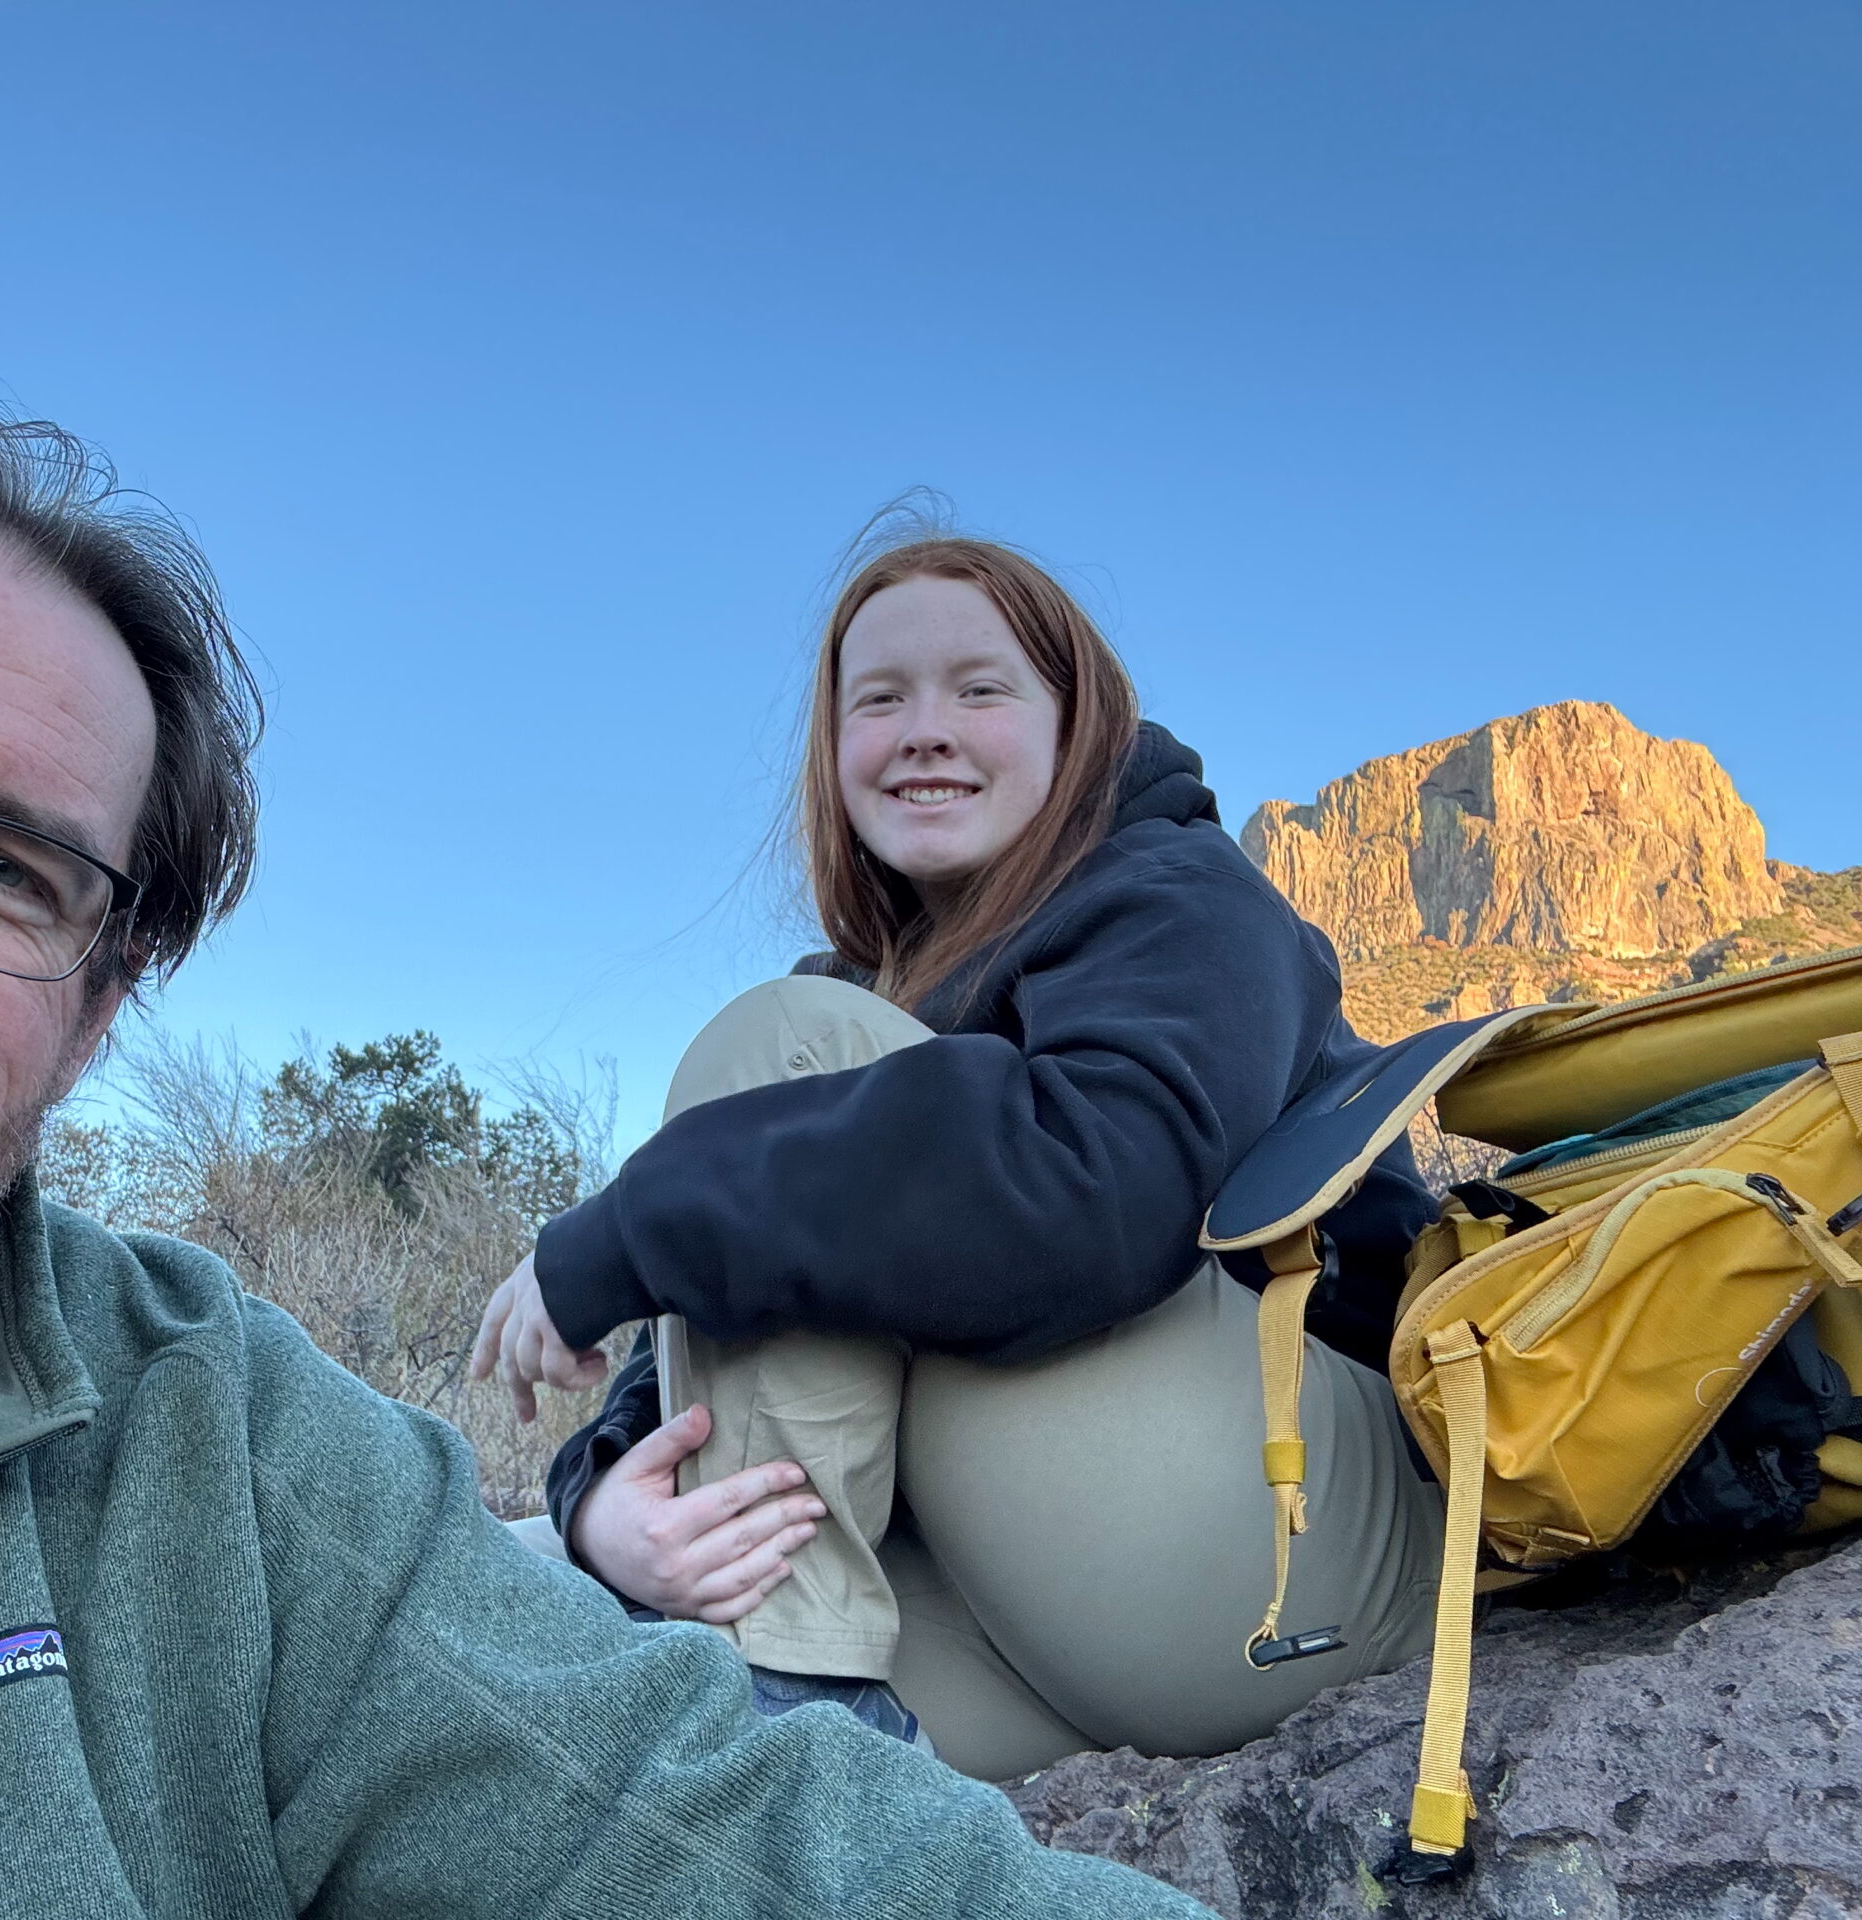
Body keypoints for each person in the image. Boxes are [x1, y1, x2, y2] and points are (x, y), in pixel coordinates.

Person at [0, 391, 1216, 1919]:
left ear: (104, 995)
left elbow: (762, 1850)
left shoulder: (214, 1453)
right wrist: (590, 1503)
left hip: (1223, 1509)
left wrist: (603, 1245)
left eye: (4, 869)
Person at [473, 533, 1444, 1784]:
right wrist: (600, 1505)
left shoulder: (1187, 901)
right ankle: (796, 1733)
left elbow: (1092, 1195)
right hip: (1040, 1622)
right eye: (878, 700)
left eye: (980, 690)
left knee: (798, 1064)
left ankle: (787, 1702)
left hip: (1283, 1558)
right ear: (834, 754)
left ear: (1073, 723)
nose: (925, 731)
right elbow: (711, 1337)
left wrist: (616, 1235)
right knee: (506, 1611)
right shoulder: (864, 994)